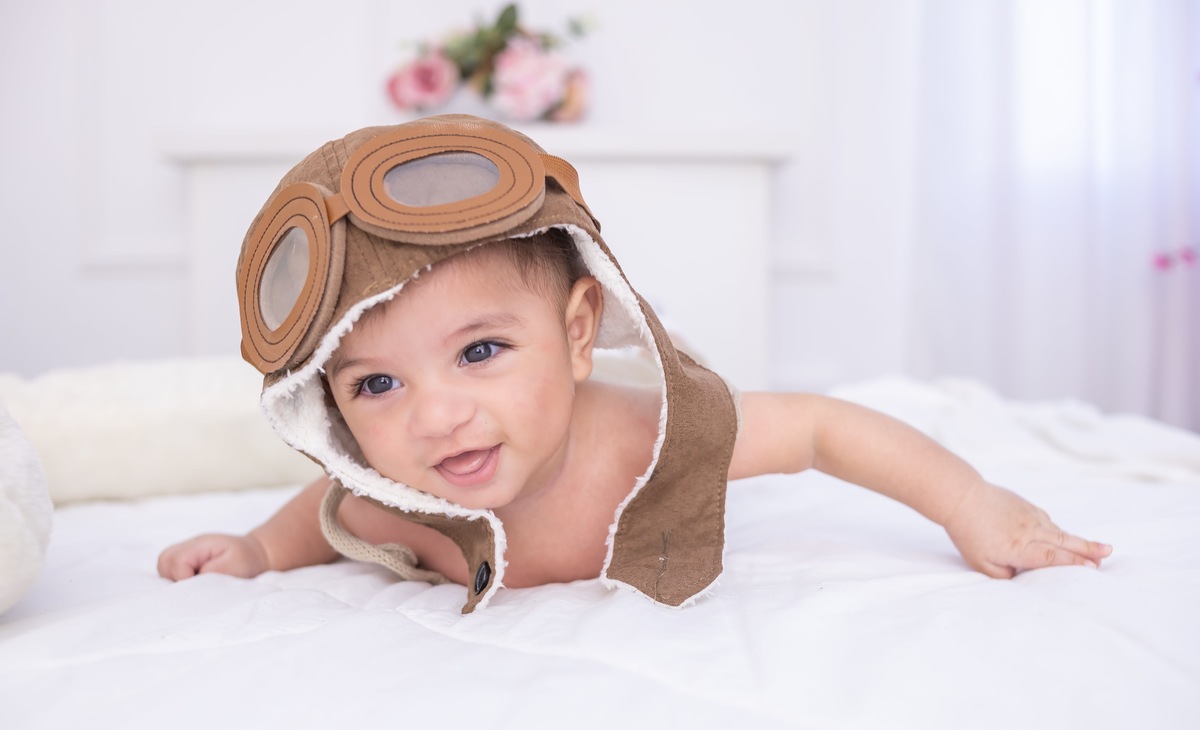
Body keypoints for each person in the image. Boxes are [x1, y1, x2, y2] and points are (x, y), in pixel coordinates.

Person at [158, 115, 1112, 613]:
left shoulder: (656, 443)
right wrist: (254, 551)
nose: (435, 417)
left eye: (481, 351)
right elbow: (326, 514)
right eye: (377, 383)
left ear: (579, 332)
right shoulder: (406, 498)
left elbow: (824, 427)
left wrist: (970, 502)